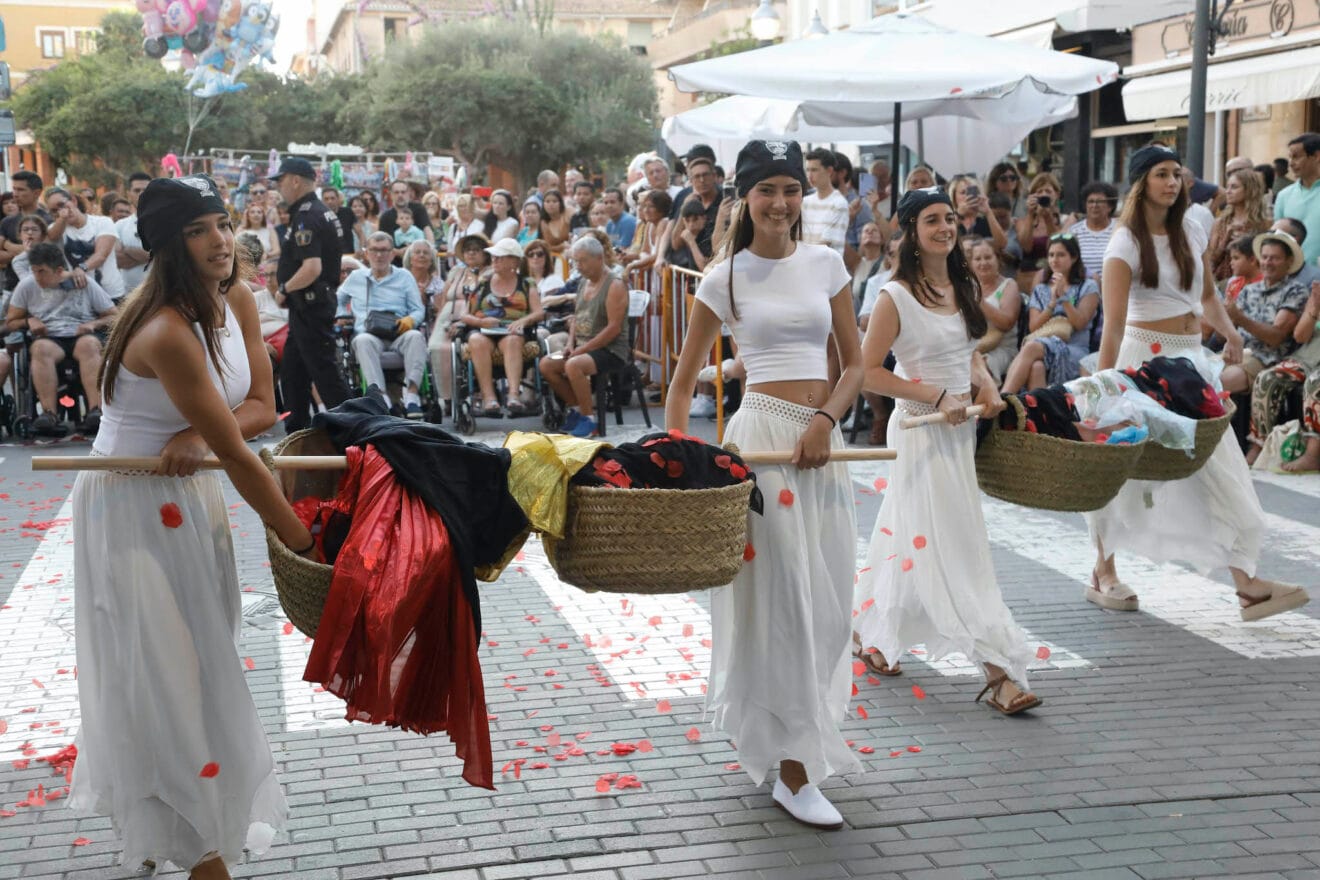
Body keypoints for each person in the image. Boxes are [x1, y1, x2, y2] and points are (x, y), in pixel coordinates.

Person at [71, 174, 312, 878]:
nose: (221, 240)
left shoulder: (236, 297)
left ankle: (168, 823)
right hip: (129, 502)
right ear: (170, 245)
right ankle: (200, 849)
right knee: (163, 674)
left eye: (223, 222)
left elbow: (265, 405)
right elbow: (241, 452)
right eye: (201, 229)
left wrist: (200, 441)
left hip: (190, 491)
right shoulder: (165, 330)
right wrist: (302, 542)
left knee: (204, 663)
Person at [664, 140, 863, 830]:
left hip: (818, 448)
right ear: (743, 198)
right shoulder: (724, 278)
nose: (780, 203)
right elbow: (685, 380)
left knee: (833, 604)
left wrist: (824, 422)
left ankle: (794, 745)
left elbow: (855, 365)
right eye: (766, 190)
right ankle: (795, 770)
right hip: (761, 449)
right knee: (789, 607)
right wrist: (678, 462)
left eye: (791, 188)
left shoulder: (827, 264)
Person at [1085, 143, 1309, 620]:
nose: (1173, 183)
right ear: (1141, 181)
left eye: (1177, 174)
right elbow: (1114, 322)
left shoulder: (1191, 227)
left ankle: (1246, 583)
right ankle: (1103, 569)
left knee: (1220, 465)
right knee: (1119, 468)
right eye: (1162, 174)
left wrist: (1228, 333)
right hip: (1142, 361)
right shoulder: (1124, 243)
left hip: (1191, 363)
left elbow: (1206, 294)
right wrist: (1106, 384)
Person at [853, 186, 1038, 714]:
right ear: (911, 231)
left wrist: (984, 386)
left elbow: (969, 352)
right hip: (920, 427)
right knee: (956, 547)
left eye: (950, 218)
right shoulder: (895, 296)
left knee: (911, 532)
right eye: (932, 219)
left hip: (958, 429)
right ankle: (999, 672)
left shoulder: (963, 284)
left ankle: (871, 631)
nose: (945, 227)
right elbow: (868, 372)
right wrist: (935, 394)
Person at [270, 156, 350, 433]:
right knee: (292, 375)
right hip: (305, 308)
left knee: (326, 375)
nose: (279, 187)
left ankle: (357, 432)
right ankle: (298, 434)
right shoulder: (318, 211)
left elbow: (312, 268)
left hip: (311, 305)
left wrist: (284, 288)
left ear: (294, 180)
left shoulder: (307, 216)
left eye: (280, 181)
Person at [4, 241, 117, 434]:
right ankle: (49, 414)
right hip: (48, 336)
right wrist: (28, 321)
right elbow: (11, 322)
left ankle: (95, 410)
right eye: (34, 271)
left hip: (80, 333)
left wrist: (93, 324)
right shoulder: (27, 286)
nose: (37, 276)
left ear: (58, 270)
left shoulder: (84, 282)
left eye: (41, 271)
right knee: (40, 350)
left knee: (90, 345)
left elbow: (114, 315)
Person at [537, 235, 628, 438]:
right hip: (584, 346)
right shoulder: (583, 283)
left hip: (611, 349)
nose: (578, 266)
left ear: (599, 258)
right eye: (575, 261)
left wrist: (582, 350)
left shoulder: (615, 285)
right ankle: (577, 409)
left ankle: (589, 419)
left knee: (573, 365)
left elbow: (614, 329)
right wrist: (570, 344)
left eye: (582, 261)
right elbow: (576, 318)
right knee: (546, 364)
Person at [336, 232, 427, 417]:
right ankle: (382, 399)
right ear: (366, 253)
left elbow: (418, 310)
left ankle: (411, 397)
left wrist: (411, 320)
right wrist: (341, 315)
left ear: (392, 253)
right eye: (374, 250)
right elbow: (336, 299)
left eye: (384, 250)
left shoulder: (404, 276)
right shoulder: (356, 277)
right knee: (362, 341)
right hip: (369, 334)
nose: (379, 255)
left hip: (399, 332)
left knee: (416, 336)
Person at [1000, 234, 1100, 392]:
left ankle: (1003, 398)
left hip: (1074, 349)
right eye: (1051, 255)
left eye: (1061, 255)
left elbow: (1080, 323)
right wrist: (1052, 304)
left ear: (1073, 258)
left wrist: (1065, 299)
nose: (1055, 260)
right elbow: (1034, 327)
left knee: (1031, 347)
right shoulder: (1041, 288)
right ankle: (1039, 413)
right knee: (1036, 366)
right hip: (1043, 346)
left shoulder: (1089, 286)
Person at [456, 238, 540, 416]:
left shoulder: (526, 283)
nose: (494, 260)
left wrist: (523, 321)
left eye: (500, 257)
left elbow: (539, 313)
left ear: (514, 261)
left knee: (512, 340)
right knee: (476, 340)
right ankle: (489, 398)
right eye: (493, 257)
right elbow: (464, 314)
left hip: (512, 331)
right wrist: (481, 322)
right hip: (484, 329)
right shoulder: (483, 282)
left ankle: (513, 396)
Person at [1221, 231, 1308, 397]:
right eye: (1265, 257)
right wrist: (1223, 316)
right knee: (1198, 374)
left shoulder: (1295, 290)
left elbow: (1275, 337)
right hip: (1237, 354)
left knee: (1218, 381)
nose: (1268, 262)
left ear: (1289, 262)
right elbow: (1224, 334)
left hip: (1266, 360)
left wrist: (1239, 318)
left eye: (1275, 258)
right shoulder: (1249, 290)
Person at [428, 233, 489, 416]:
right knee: (436, 347)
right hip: (448, 314)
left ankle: (476, 392)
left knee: (464, 349)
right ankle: (447, 398)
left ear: (484, 253)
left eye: (476, 250)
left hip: (475, 315)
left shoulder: (489, 273)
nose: (471, 253)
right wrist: (440, 319)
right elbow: (444, 296)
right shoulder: (456, 272)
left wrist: (465, 320)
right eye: (468, 250)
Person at [47, 188, 126, 302]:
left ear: (73, 201)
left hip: (110, 293)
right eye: (55, 210)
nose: (61, 211)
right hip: (81, 297)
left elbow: (101, 255)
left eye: (62, 205)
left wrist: (81, 268)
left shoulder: (102, 222)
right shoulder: (56, 228)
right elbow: (52, 237)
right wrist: (62, 219)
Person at [970, 237, 1022, 381]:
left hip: (1001, 349)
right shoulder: (970, 286)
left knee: (975, 374)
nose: (983, 263)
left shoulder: (1009, 285)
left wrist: (980, 302)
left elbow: (1006, 323)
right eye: (978, 259)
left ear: (998, 259)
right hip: (973, 349)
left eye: (988, 257)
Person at [1207, 168, 1270, 281]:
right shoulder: (1221, 222)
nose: (1228, 191)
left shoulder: (1264, 223)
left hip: (1255, 281)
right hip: (1225, 281)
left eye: (1234, 187)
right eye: (1228, 186)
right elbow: (1211, 259)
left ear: (1250, 190)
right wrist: (1226, 238)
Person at [1014, 172, 1065, 294]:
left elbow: (1058, 244)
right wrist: (1031, 215)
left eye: (1048, 191)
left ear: (1056, 195)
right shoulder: (1022, 221)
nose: (1043, 195)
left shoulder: (1065, 220)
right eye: (1039, 192)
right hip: (1027, 278)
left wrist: (1048, 218)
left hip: (1055, 278)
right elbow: (1026, 247)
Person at [1274, 133, 1320, 266]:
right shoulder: (1284, 195)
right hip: (1291, 276)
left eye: (1296, 157)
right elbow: (1277, 238)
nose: (1291, 164)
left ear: (1316, 156)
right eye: (1290, 158)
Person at [667, 155, 722, 256]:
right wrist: (684, 208)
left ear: (714, 176)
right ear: (691, 181)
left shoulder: (724, 201)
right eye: (697, 176)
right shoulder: (692, 201)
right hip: (694, 268)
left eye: (705, 175)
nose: (702, 180)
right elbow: (675, 244)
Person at [801, 148, 849, 255]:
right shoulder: (805, 202)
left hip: (828, 266)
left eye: (814, 170)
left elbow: (826, 243)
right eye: (807, 170)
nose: (809, 175)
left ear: (829, 171)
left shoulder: (839, 203)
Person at [1067, 181, 1119, 280]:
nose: (1094, 205)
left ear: (1110, 206)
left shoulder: (1120, 229)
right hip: (1083, 288)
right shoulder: (1074, 232)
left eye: (1100, 201)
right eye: (1090, 201)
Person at [949, 174, 1007, 251]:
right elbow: (945, 239)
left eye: (972, 192)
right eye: (963, 192)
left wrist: (988, 212)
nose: (967, 196)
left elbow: (1002, 244)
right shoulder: (950, 219)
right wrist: (959, 215)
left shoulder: (986, 219)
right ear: (954, 196)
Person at [623, 189, 672, 274]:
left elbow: (656, 256)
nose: (646, 210)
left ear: (662, 208)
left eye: (651, 206)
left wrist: (632, 266)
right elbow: (644, 252)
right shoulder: (649, 224)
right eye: (644, 206)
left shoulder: (664, 222)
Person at [666, 195, 713, 272]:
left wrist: (691, 242)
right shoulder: (690, 234)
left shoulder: (708, 235)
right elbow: (675, 244)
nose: (691, 224)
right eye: (687, 220)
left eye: (695, 219)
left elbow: (704, 268)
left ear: (704, 218)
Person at [377, 178, 431, 244]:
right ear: (391, 195)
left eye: (403, 192)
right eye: (396, 192)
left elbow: (427, 229)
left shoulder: (419, 209)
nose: (400, 195)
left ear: (408, 193)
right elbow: (382, 240)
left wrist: (431, 247)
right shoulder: (385, 217)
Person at [239, 199, 281, 278]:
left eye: (259, 212)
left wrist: (267, 255)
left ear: (263, 215)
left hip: (266, 269)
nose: (256, 214)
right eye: (252, 212)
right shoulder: (241, 230)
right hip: (246, 269)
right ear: (248, 215)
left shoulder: (269, 230)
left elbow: (277, 250)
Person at [321, 185, 357, 255]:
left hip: (348, 255)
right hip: (327, 256)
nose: (330, 201)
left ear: (338, 199)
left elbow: (360, 233)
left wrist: (362, 249)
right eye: (326, 199)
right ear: (322, 201)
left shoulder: (348, 212)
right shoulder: (318, 216)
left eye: (332, 198)